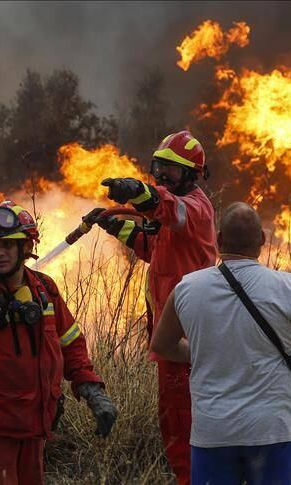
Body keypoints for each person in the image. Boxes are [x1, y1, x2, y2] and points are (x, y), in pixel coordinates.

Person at [150, 202, 291, 485]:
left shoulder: (187, 288)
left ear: (219, 240)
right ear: (262, 239)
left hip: (214, 433)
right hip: (273, 431)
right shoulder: (286, 287)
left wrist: (201, 353)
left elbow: (162, 346)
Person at [0, 200, 118, 485]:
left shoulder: (46, 291)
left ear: (26, 247)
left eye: (7, 245)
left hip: (34, 430)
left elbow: (72, 347)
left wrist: (94, 394)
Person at [84, 130, 217, 484]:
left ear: (191, 174)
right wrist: (117, 228)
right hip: (171, 336)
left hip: (188, 338)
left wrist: (140, 193)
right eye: (159, 167)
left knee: (183, 421)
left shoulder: (196, 208)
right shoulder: (172, 211)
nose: (162, 175)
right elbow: (155, 249)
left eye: (171, 171)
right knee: (174, 420)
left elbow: (169, 209)